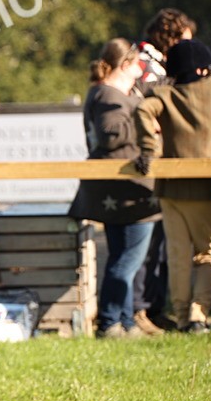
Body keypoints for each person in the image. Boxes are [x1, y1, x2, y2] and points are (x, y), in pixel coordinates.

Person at [134, 38, 211, 333]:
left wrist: (147, 148)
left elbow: (143, 111)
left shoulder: (165, 94)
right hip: (207, 188)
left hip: (170, 189)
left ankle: (181, 316)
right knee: (209, 253)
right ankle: (198, 313)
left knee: (178, 255)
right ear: (202, 67)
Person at [67, 39, 159, 338]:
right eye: (136, 64)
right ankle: (110, 321)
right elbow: (110, 134)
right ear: (125, 65)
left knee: (123, 257)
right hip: (128, 192)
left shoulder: (106, 92)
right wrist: (146, 124)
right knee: (128, 260)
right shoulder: (108, 94)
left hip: (118, 190)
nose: (140, 69)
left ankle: (123, 321)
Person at [132, 9, 196, 333]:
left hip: (163, 159)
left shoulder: (161, 64)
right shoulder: (144, 63)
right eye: (184, 39)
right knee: (145, 238)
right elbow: (142, 111)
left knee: (160, 238)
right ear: (169, 36)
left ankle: (155, 307)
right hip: (145, 160)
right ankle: (139, 310)